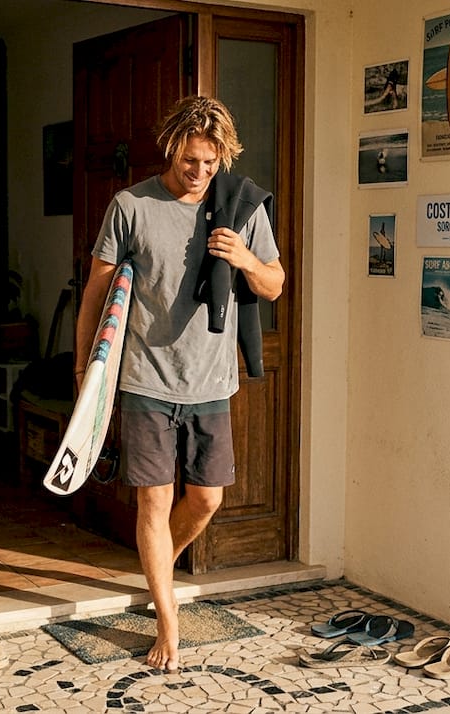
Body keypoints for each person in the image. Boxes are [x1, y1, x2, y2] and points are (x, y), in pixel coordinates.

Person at [73, 95, 285, 672]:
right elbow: (96, 291)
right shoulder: (131, 206)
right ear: (171, 148)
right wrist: (85, 369)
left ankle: (158, 568)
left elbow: (274, 284)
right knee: (154, 499)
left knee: (207, 498)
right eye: (190, 160)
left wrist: (244, 258)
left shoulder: (238, 208)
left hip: (211, 381)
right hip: (146, 376)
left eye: (210, 163)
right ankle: (167, 621)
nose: (199, 173)